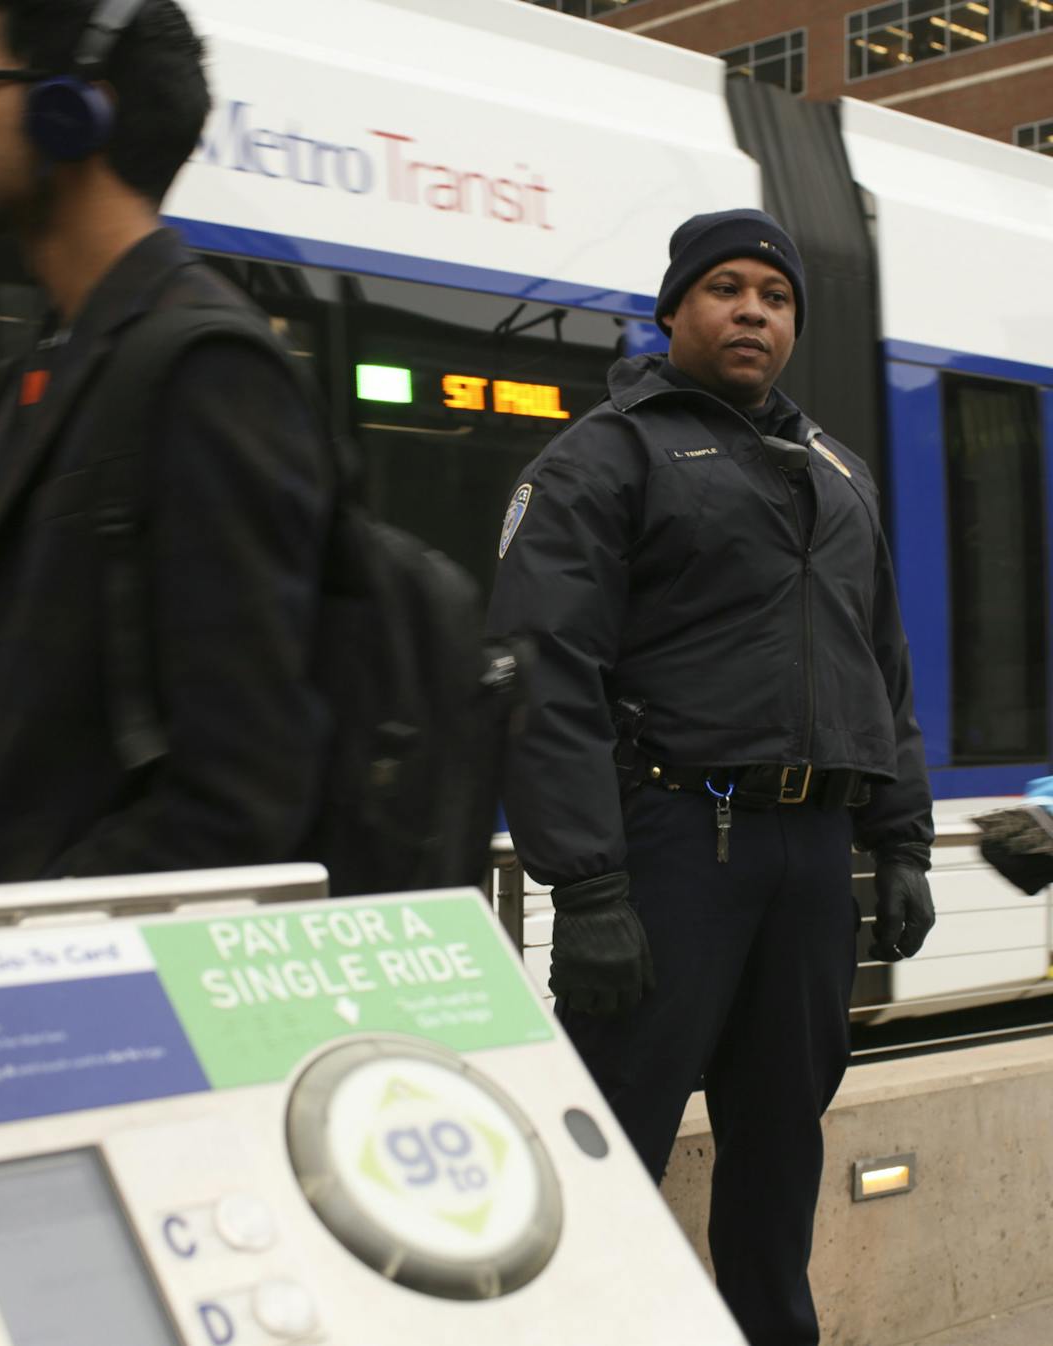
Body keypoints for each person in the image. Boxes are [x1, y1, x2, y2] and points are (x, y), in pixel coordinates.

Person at [486, 208, 935, 1345]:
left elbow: (880, 669)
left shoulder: (841, 473)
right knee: (612, 1140)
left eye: (773, 296)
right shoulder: (600, 456)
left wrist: (902, 839)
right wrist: (586, 886)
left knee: (781, 1144)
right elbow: (545, 678)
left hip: (805, 862)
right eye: (724, 289)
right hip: (671, 847)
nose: (751, 311)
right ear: (674, 309)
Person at [0, 0, 331, 888]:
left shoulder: (209, 368)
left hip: (84, 989)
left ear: (71, 110)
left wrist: (30, 933)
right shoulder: (55, 367)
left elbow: (242, 793)